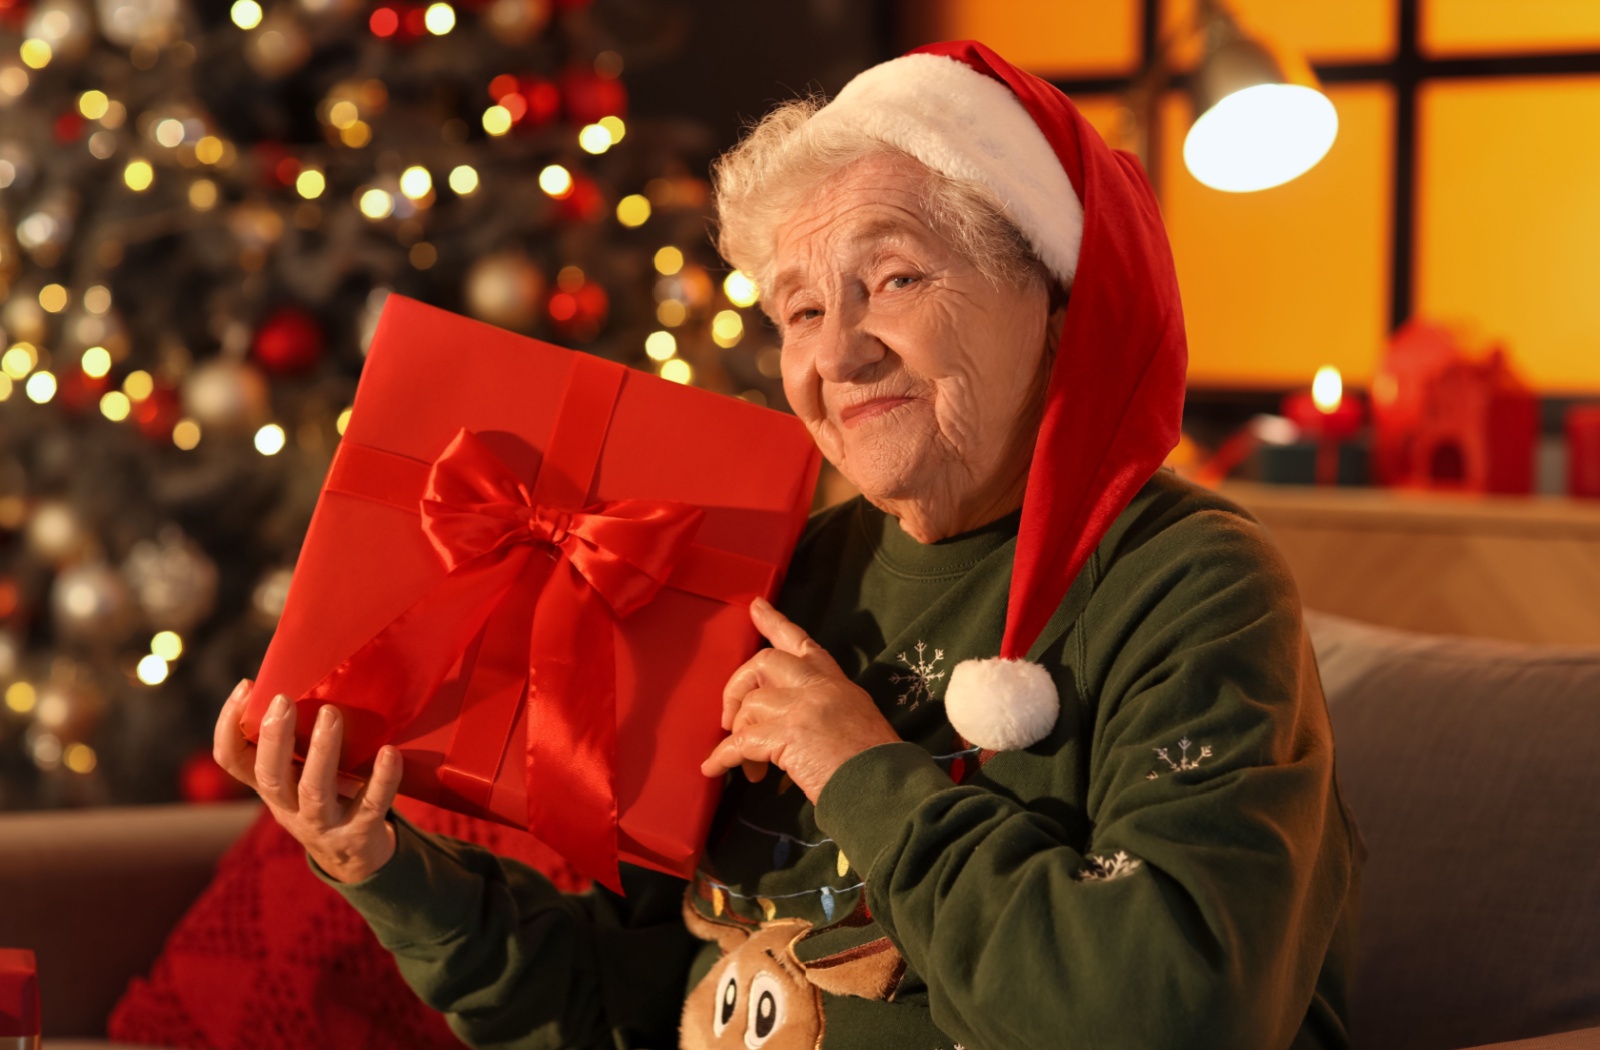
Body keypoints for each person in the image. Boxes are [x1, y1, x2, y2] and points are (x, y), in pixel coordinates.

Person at [214, 40, 1360, 1050]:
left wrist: (860, 771)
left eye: (895, 278)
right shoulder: (788, 574)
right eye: (801, 311)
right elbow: (615, 999)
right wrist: (379, 861)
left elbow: (1175, 1013)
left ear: (1052, 300)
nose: (836, 355)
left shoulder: (1190, 582)